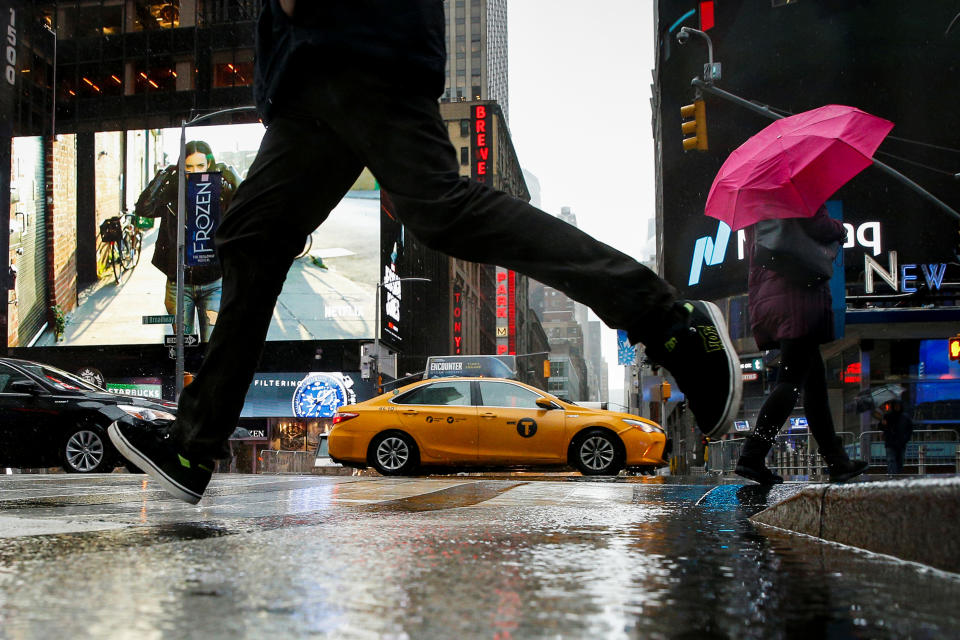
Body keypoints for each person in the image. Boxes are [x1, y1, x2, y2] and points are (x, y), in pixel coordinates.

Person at [109, 0, 742, 504]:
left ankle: (670, 323)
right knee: (250, 235)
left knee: (437, 209)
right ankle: (194, 444)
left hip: (354, 39)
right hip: (311, 71)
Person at [735, 205, 868, 484]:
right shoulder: (792, 192)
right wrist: (839, 229)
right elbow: (816, 224)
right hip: (797, 295)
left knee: (815, 386)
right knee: (791, 380)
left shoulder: (757, 207)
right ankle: (753, 455)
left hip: (775, 297)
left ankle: (837, 461)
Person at [135, 140, 240, 342]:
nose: (195, 172)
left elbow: (248, 203)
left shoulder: (220, 191)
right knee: (184, 348)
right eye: (189, 167)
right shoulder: (173, 192)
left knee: (212, 346)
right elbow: (144, 209)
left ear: (209, 165)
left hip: (213, 283)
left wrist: (230, 173)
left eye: (200, 166)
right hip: (179, 285)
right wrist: (165, 175)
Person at [879, 399, 913, 474]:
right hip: (890, 442)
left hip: (901, 443)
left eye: (898, 406)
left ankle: (897, 475)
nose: (897, 407)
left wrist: (906, 439)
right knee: (891, 460)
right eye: (895, 406)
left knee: (899, 461)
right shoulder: (887, 416)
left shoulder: (905, 417)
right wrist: (883, 423)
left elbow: (909, 429)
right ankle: (892, 475)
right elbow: (882, 427)